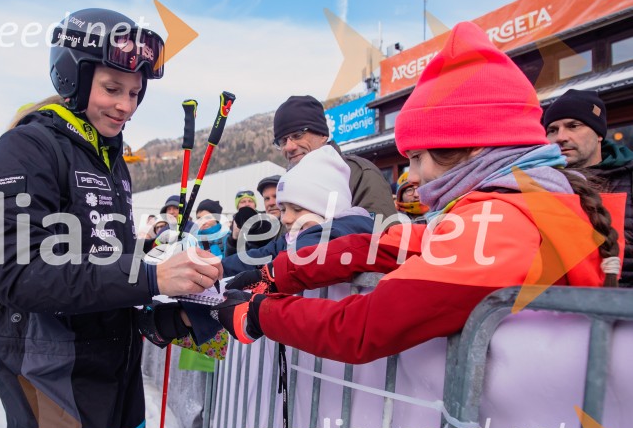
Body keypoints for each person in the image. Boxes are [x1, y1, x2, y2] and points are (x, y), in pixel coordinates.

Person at [213, 22, 622, 361]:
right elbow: (392, 243)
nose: (412, 176)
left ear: (471, 149)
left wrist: (259, 314)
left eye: (417, 157)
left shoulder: (503, 224)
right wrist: (278, 272)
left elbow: (365, 326)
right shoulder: (509, 206)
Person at [0, 8, 221, 428]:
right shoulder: (25, 148)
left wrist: (163, 313)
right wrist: (151, 274)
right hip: (52, 375)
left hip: (114, 370)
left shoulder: (109, 159)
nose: (126, 105)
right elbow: (18, 274)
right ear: (73, 75)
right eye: (113, 88)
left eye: (134, 93)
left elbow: (105, 270)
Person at [222, 146, 374, 276]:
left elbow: (296, 255)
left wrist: (263, 278)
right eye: (283, 209)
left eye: (297, 209)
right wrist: (219, 267)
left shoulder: (346, 231)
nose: (285, 218)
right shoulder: (293, 238)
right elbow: (263, 255)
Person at [544, 89, 633, 286]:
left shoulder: (628, 177)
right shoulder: (537, 184)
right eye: (552, 130)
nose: (560, 137)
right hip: (556, 308)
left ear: (599, 134)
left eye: (573, 126)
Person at [273, 95, 397, 218]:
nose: (289, 147)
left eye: (298, 135)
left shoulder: (360, 174)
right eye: (283, 141)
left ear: (322, 135)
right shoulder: (287, 184)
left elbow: (382, 233)